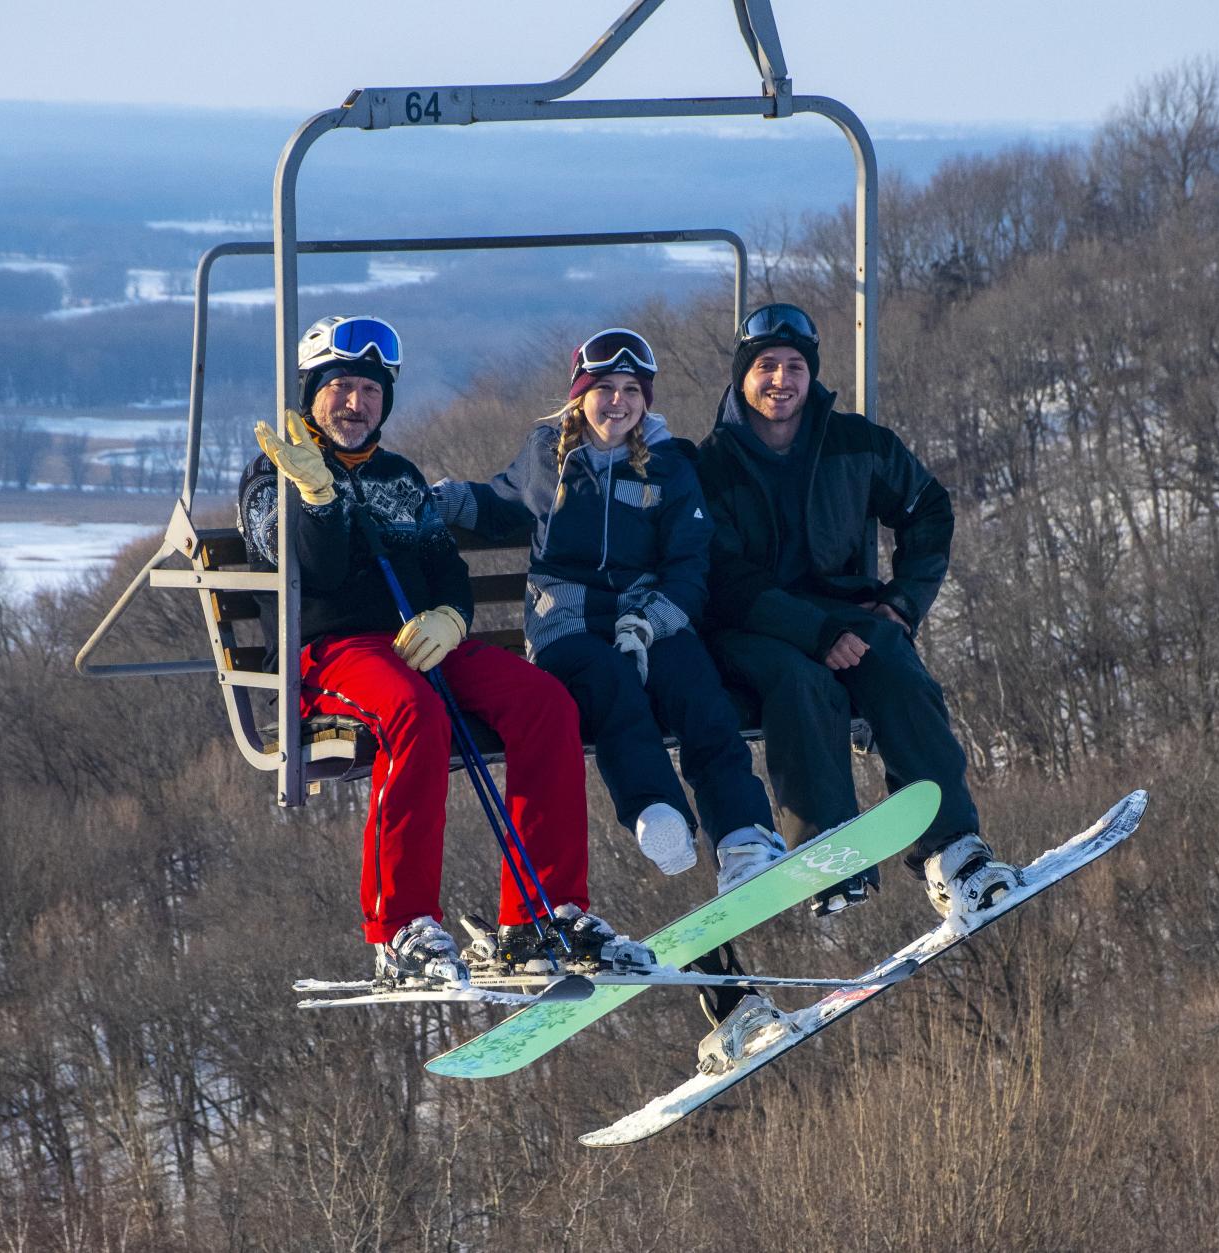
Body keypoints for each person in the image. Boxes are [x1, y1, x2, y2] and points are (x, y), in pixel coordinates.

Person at [237, 314, 647, 983]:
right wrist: (317, 496)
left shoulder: (398, 474)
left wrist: (453, 617)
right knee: (413, 713)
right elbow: (316, 570)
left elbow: (444, 566)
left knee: (544, 702)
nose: (355, 403)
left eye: (370, 391)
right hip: (330, 651)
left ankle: (544, 911)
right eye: (340, 387)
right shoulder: (272, 473)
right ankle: (399, 927)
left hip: (416, 640)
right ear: (312, 392)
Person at [694, 303, 1022, 921]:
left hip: (837, 614)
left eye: (795, 366)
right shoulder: (711, 465)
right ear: (742, 375)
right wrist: (814, 632)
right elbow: (723, 579)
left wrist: (902, 600)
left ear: (811, 375)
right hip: (751, 626)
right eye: (766, 366)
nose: (781, 380)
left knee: (894, 661)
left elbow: (927, 506)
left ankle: (953, 852)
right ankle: (826, 849)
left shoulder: (854, 443)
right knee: (801, 680)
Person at [432, 327, 783, 892]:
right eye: (605, 388)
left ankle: (742, 836)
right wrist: (436, 501)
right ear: (580, 394)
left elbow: (690, 565)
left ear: (646, 400)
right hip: (564, 621)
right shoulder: (548, 456)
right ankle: (656, 811)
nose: (617, 401)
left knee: (697, 692)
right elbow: (499, 503)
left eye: (631, 389)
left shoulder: (669, 469)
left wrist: (650, 621)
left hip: (646, 616)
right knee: (609, 683)